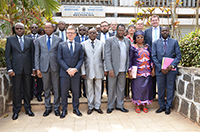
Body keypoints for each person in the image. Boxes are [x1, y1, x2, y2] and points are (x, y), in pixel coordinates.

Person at [5, 23, 35, 120]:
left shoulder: (29, 40)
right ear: (15, 30)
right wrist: (10, 69)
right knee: (17, 91)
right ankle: (16, 111)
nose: (19, 30)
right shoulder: (10, 40)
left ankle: (28, 109)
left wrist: (33, 68)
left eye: (21, 28)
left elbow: (33, 55)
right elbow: (7, 56)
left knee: (27, 90)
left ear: (24, 30)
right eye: (17, 29)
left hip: (27, 69)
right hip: (15, 70)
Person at [35, 22, 63, 117]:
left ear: (53, 29)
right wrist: (37, 68)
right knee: (46, 88)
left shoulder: (59, 39)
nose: (47, 29)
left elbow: (61, 54)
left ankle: (56, 108)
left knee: (56, 88)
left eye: (49, 27)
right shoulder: (39, 40)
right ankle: (47, 107)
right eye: (45, 27)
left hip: (56, 67)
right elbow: (37, 55)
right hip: (44, 67)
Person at [152, 26, 181, 115]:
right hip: (160, 70)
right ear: (160, 32)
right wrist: (160, 67)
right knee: (160, 89)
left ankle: (168, 106)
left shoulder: (174, 42)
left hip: (170, 71)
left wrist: (171, 66)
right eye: (163, 31)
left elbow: (178, 55)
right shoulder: (155, 43)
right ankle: (162, 106)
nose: (164, 32)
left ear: (169, 31)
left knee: (170, 88)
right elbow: (153, 56)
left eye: (166, 30)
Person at [58, 26, 84, 118]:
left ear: (75, 34)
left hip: (75, 73)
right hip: (64, 73)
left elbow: (81, 59)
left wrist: (75, 69)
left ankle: (76, 108)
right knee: (64, 92)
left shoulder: (79, 45)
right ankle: (64, 110)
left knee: (76, 92)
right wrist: (68, 69)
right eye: (68, 32)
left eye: (72, 32)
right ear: (66, 34)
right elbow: (59, 59)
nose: (70, 34)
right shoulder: (61, 45)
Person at [105, 24, 130, 114]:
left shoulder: (127, 41)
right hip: (113, 69)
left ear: (124, 31)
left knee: (121, 88)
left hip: (123, 69)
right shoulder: (109, 40)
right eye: (119, 30)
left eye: (122, 30)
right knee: (111, 88)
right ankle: (110, 106)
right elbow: (107, 55)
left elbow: (129, 55)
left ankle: (120, 105)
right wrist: (109, 69)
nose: (121, 32)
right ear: (116, 30)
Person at [129, 31, 154, 113]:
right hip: (137, 72)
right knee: (137, 89)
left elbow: (151, 58)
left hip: (147, 72)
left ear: (144, 38)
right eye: (138, 37)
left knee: (146, 89)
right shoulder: (133, 47)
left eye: (141, 37)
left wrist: (153, 69)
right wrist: (129, 71)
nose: (140, 39)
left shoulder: (147, 47)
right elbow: (130, 60)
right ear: (135, 38)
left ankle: (144, 105)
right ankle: (137, 105)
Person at [81, 28, 105, 115]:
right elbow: (82, 59)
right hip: (88, 70)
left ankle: (97, 106)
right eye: (90, 33)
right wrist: (82, 71)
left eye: (94, 33)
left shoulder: (102, 44)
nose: (92, 34)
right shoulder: (83, 44)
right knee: (89, 89)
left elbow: (104, 58)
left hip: (99, 70)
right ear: (87, 34)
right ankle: (90, 106)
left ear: (97, 34)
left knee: (98, 89)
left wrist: (105, 70)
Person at [144, 15, 162, 99]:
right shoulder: (147, 31)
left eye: (156, 20)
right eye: (153, 20)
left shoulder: (163, 30)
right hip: (149, 56)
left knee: (160, 74)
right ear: (151, 22)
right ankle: (152, 94)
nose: (154, 22)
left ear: (158, 21)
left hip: (161, 56)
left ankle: (161, 94)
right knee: (151, 75)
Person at [97, 21, 114, 97]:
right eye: (102, 26)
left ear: (108, 27)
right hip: (99, 59)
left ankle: (109, 93)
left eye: (106, 26)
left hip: (110, 59)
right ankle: (99, 94)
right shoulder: (96, 36)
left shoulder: (113, 36)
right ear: (100, 27)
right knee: (100, 77)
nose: (104, 27)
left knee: (109, 78)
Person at [26, 24, 43, 102]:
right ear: (30, 28)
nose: (34, 29)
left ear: (38, 29)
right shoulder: (26, 38)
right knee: (29, 79)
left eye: (36, 27)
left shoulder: (42, 38)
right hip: (28, 61)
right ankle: (31, 94)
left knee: (40, 79)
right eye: (32, 27)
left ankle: (38, 94)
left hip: (40, 61)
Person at [124, 24, 136, 100]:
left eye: (133, 28)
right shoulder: (125, 38)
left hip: (135, 60)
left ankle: (134, 93)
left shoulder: (137, 38)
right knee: (127, 78)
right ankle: (126, 94)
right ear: (128, 30)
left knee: (134, 78)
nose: (131, 30)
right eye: (130, 28)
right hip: (126, 59)